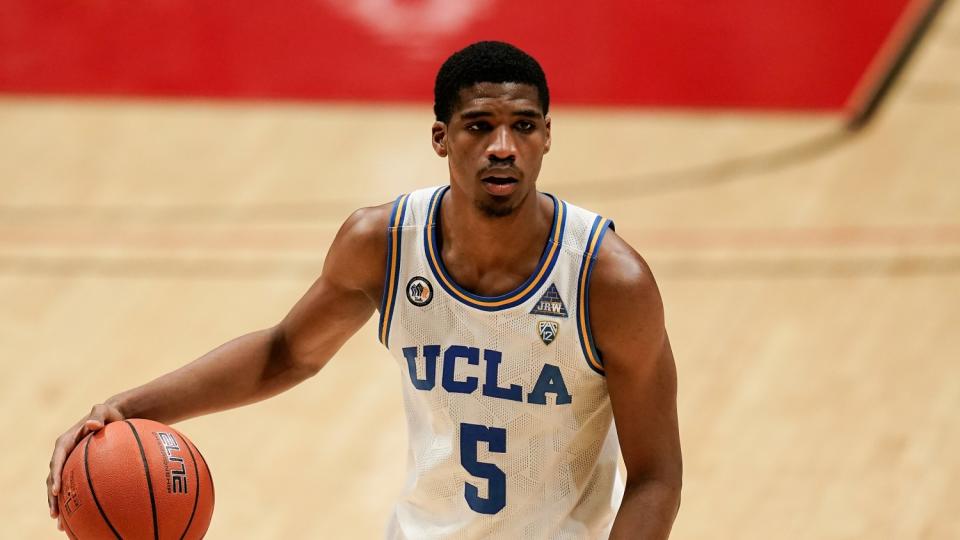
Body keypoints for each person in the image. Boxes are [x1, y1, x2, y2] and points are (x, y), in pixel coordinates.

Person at [46, 41, 682, 539]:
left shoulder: (607, 281)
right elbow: (285, 354)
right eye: (478, 125)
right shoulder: (384, 242)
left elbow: (655, 476)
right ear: (441, 137)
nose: (502, 148)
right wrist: (129, 408)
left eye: (522, 126)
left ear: (547, 135)